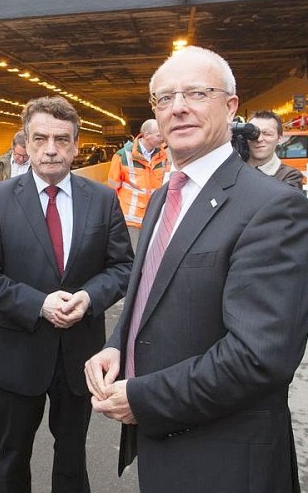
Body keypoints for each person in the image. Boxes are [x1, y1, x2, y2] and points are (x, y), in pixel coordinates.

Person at [85, 46, 308, 493]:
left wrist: (142, 397)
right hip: (164, 446)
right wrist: (118, 345)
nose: (178, 106)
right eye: (164, 98)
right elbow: (152, 292)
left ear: (230, 107)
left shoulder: (272, 207)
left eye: (196, 93)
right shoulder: (163, 197)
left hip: (223, 459)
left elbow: (259, 357)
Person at [0, 95, 133, 493]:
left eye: (62, 139)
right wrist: (37, 303)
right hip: (17, 354)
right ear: (25, 141)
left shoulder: (103, 200)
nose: (51, 149)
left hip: (80, 356)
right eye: (40, 138)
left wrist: (90, 298)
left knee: (72, 458)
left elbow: (123, 267)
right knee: (12, 458)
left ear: (76, 146)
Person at [108, 119, 168, 249]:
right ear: (146, 135)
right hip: (131, 220)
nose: (163, 138)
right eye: (159, 135)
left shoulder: (163, 156)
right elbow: (113, 187)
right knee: (133, 257)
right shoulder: (122, 156)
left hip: (154, 217)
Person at [246, 109, 304, 190]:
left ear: (279, 138)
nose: (259, 139)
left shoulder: (290, 176)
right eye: (253, 134)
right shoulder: (234, 168)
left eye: (267, 134)